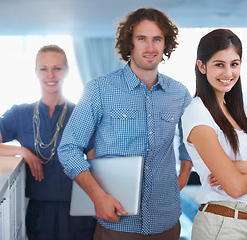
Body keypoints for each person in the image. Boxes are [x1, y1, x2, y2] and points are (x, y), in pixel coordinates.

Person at [58, 7, 193, 240]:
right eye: (142, 39)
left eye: (157, 39)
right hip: (118, 223)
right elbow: (68, 149)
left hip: (167, 221)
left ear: (165, 44)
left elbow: (191, 142)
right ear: (129, 43)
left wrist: (183, 176)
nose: (150, 48)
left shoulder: (179, 93)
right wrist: (97, 197)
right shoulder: (99, 89)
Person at [0, 45, 96, 240]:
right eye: (43, 68)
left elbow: (96, 163)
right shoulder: (19, 114)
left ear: (67, 71)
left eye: (57, 68)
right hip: (38, 213)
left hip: (79, 211)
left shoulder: (81, 114)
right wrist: (21, 151)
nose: (50, 75)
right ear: (35, 72)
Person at [181, 29, 247, 240]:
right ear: (202, 66)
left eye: (234, 64)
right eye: (219, 64)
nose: (228, 73)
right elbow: (235, 188)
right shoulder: (197, 112)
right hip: (222, 224)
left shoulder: (243, 110)